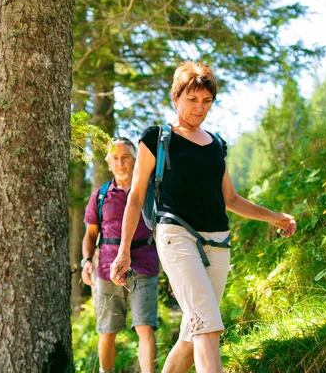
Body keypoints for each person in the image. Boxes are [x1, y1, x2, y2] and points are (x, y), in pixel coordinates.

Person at [109, 61, 297, 373]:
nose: (199, 108)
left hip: (218, 244)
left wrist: (274, 216)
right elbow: (136, 196)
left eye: (206, 101)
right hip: (176, 236)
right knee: (208, 326)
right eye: (192, 100)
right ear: (175, 97)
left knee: (191, 333)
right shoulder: (157, 138)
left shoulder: (216, 145)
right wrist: (123, 250)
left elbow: (231, 199)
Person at [81, 137, 160, 373]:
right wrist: (86, 261)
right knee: (107, 330)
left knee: (145, 327)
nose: (121, 163)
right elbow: (90, 234)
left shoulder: (149, 192)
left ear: (134, 160)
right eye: (115, 158)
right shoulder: (101, 195)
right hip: (106, 269)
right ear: (108, 163)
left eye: (125, 157)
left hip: (144, 265)